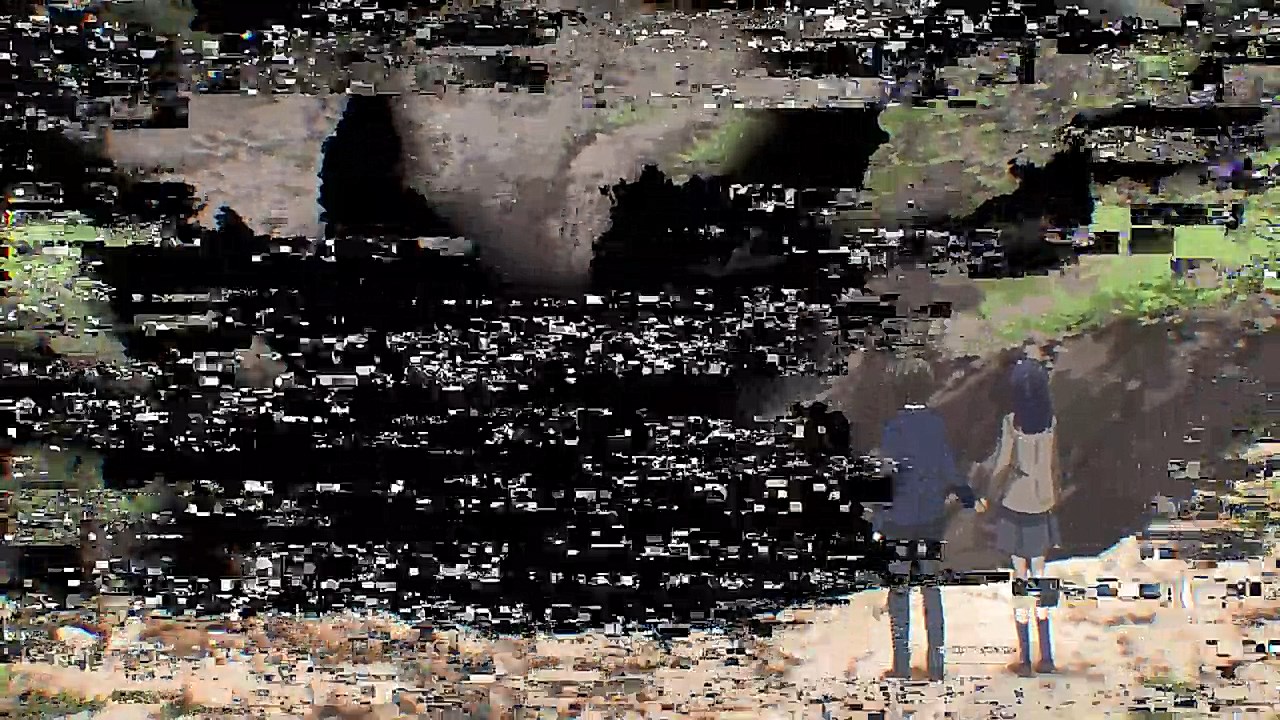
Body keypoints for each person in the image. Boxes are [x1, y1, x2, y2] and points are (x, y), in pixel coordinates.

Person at [870, 354, 986, 680]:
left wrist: (878, 521)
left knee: (899, 591)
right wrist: (968, 497)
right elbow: (948, 470)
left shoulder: (893, 429)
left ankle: (902, 664)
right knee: (931, 590)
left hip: (899, 524)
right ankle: (937, 663)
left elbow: (887, 479)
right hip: (931, 523)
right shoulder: (935, 425)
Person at [976, 340, 1063, 675]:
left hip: (1016, 503)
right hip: (1043, 503)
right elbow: (1054, 465)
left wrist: (990, 494)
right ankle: (1048, 655)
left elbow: (1003, 465)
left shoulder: (1012, 423)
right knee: (1041, 575)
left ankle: (1025, 658)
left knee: (1020, 578)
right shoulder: (1051, 423)